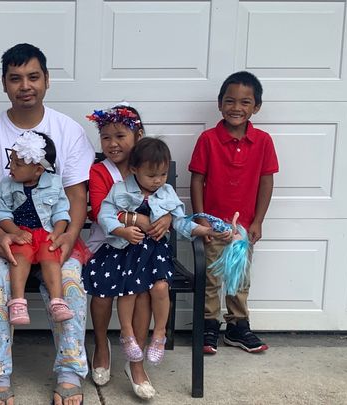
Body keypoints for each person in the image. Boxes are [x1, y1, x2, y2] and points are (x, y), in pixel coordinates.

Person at [0, 43, 95, 405]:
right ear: (4, 84)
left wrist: (69, 235)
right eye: (15, 78)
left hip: (56, 236)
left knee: (70, 279)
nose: (25, 86)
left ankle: (70, 372)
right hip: (6, 235)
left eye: (33, 77)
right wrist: (0, 236)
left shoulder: (68, 130)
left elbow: (76, 195)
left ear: (47, 80)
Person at [95, 137, 229, 380]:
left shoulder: (166, 192)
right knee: (129, 289)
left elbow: (181, 222)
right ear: (134, 169)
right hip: (125, 250)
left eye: (163, 174)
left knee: (160, 287)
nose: (158, 180)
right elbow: (105, 215)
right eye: (151, 175)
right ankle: (127, 333)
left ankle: (159, 334)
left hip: (154, 253)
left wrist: (206, 230)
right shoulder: (120, 189)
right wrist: (122, 231)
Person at [189, 71, 279, 354]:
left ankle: (238, 326)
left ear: (256, 107)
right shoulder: (208, 139)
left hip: (244, 228)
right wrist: (201, 219)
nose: (236, 107)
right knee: (211, 278)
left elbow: (266, 182)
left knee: (239, 278)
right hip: (213, 225)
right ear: (220, 104)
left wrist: (258, 221)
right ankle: (208, 326)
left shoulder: (263, 141)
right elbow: (197, 180)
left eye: (245, 102)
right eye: (230, 101)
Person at [82, 103, 150, 395]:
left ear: (138, 135)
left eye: (120, 136)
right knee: (101, 293)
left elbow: (165, 199)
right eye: (106, 137)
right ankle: (101, 345)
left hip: (142, 246)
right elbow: (100, 211)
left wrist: (166, 218)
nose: (112, 144)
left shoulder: (147, 166)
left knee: (144, 291)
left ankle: (136, 361)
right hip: (106, 244)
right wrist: (139, 219)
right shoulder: (99, 171)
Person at [0, 131, 73, 325]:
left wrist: (57, 233)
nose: (11, 167)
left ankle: (57, 301)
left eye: (18, 164)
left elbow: (61, 212)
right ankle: (18, 302)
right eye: (11, 161)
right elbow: (1, 214)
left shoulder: (54, 183)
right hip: (20, 233)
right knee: (19, 257)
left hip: (45, 232)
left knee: (50, 255)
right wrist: (15, 232)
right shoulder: (6, 185)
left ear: (38, 170)